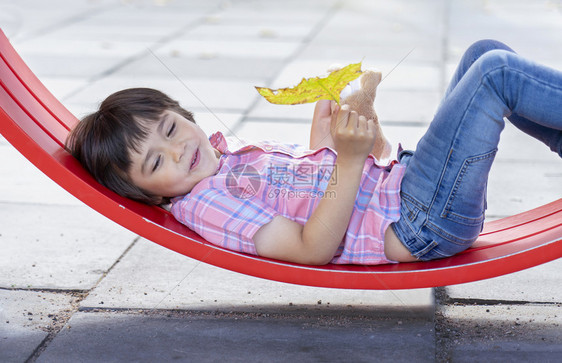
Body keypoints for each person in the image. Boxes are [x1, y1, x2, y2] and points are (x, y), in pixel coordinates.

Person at [66, 40, 562, 266]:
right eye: (155, 162)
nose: (177, 151)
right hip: (418, 221)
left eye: (171, 129)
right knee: (496, 72)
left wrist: (330, 140)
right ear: (145, 194)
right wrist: (347, 161)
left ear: (184, 114)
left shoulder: (231, 157)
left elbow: (313, 191)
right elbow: (311, 248)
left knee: (483, 53)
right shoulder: (205, 203)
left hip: (407, 191)